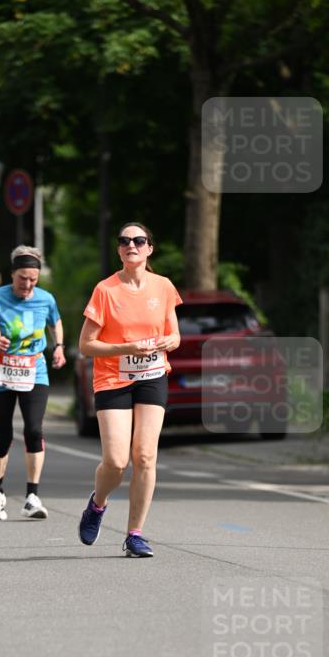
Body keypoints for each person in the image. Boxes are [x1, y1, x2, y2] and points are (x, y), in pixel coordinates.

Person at [77, 222, 181, 557]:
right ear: (119, 250)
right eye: (124, 241)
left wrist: (169, 341)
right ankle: (98, 504)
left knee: (146, 456)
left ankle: (135, 534)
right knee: (117, 460)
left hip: (152, 374)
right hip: (112, 378)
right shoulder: (105, 291)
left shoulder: (163, 286)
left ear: (150, 248)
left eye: (138, 240)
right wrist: (125, 349)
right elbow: (86, 345)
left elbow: (175, 336)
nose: (131, 245)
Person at [0, 245, 66, 520]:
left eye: (33, 279)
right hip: (0, 373)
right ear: (12, 275)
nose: (28, 285)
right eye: (22, 279)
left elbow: (56, 322)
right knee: (3, 436)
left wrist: (59, 346)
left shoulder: (45, 298)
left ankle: (32, 496)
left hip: (35, 371)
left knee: (33, 429)